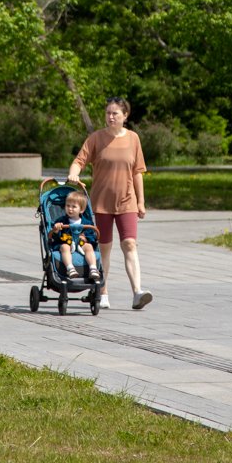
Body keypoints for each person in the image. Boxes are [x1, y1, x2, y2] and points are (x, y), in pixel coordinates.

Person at [66, 97, 151, 310]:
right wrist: (73, 174)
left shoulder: (133, 139)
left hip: (127, 201)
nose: (110, 117)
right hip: (101, 203)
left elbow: (138, 172)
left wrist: (141, 201)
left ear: (125, 116)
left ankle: (137, 292)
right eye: (108, 113)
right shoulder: (96, 138)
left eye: (115, 113)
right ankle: (102, 292)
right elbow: (79, 161)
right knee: (104, 248)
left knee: (129, 243)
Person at [48, 191, 101, 281]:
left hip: (81, 244)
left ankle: (93, 268)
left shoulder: (87, 223)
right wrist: (56, 231)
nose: (70, 209)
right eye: (68, 206)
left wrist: (85, 238)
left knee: (89, 247)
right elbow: (55, 238)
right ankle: (70, 268)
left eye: (74, 207)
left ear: (81, 209)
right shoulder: (61, 221)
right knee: (64, 247)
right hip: (67, 244)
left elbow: (92, 236)